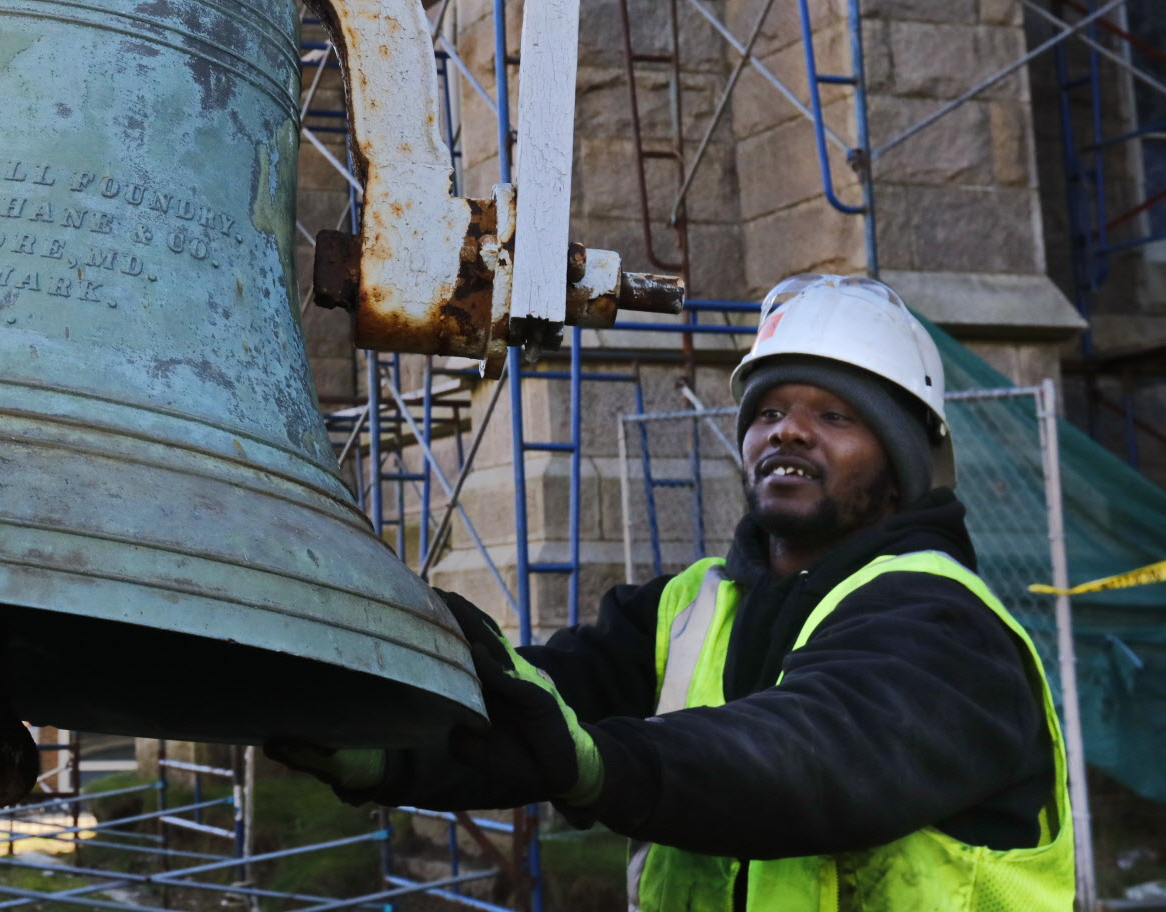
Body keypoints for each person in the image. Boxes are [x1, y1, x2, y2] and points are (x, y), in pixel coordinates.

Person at [273, 274, 1076, 910]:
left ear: (900, 467)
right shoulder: (687, 607)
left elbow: (809, 753)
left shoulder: (944, 625)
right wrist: (382, 739)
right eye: (766, 412)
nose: (785, 432)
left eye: (833, 415)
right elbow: (530, 719)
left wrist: (606, 765)